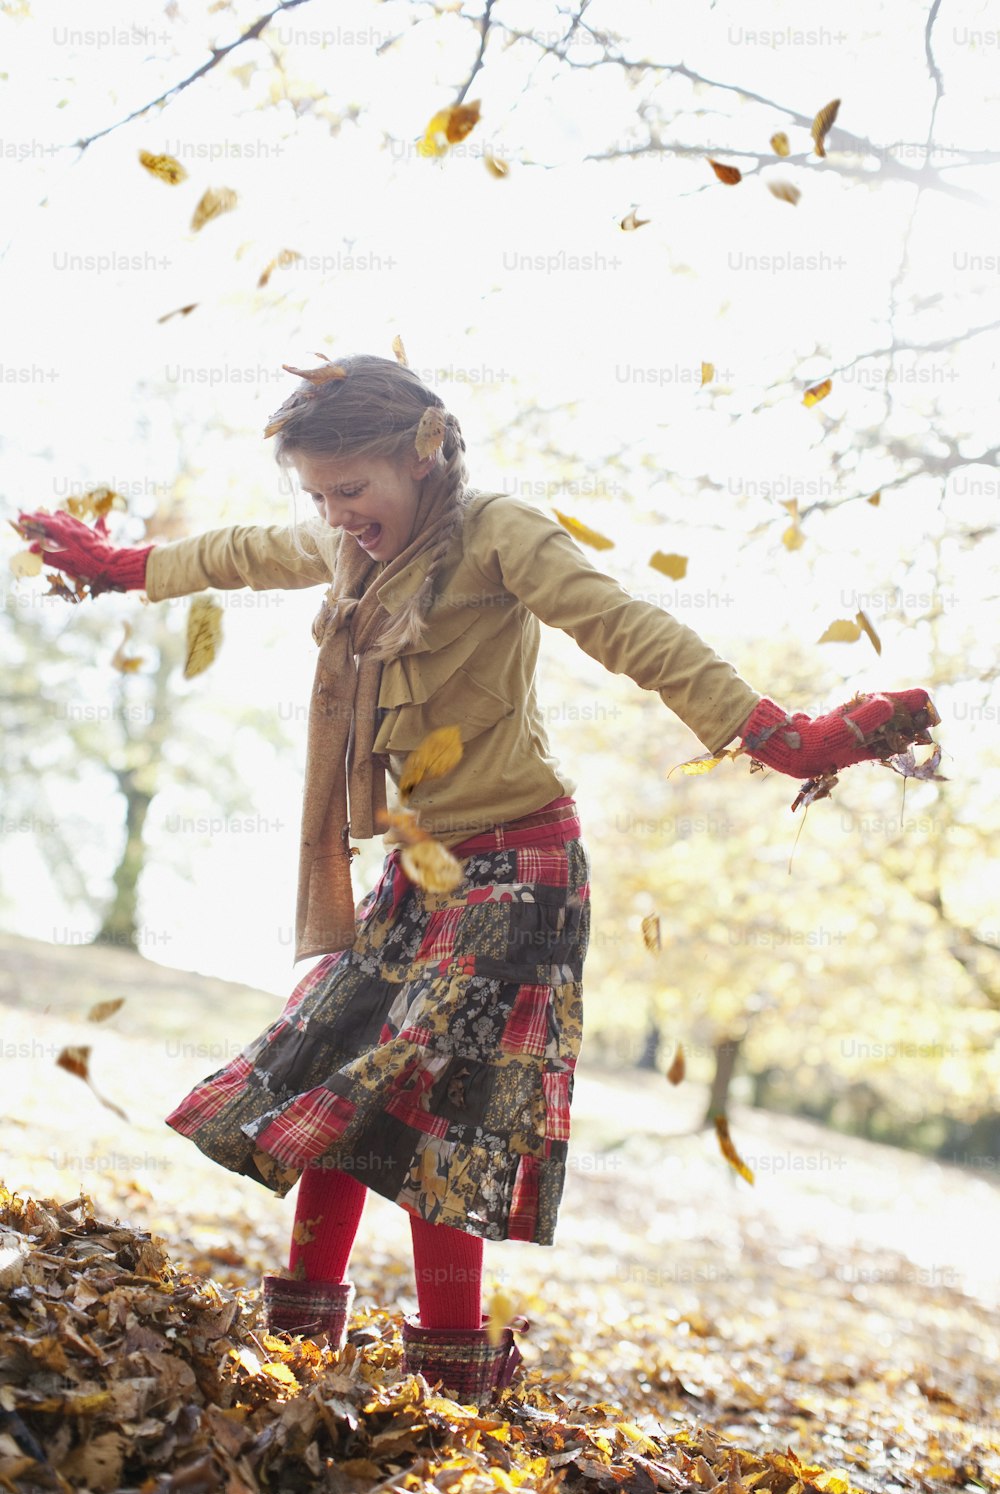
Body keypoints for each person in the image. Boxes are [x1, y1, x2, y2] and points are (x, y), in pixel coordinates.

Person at [16, 353, 933, 1406]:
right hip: (420, 873)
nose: (336, 514)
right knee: (337, 1070)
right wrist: (124, 566)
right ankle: (299, 1344)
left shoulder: (499, 534)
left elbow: (631, 628)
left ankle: (449, 1386)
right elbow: (241, 551)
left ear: (423, 451)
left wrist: (782, 737)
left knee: (438, 1113)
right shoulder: (353, 552)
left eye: (350, 490)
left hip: (520, 870)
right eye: (319, 495)